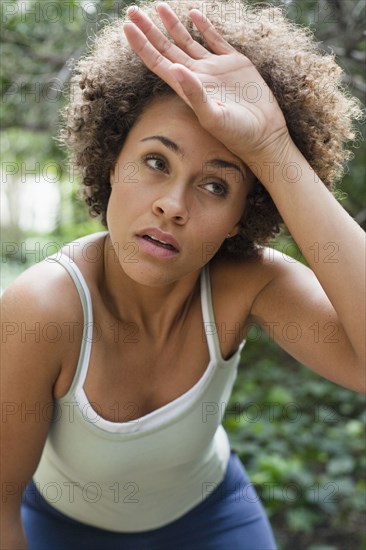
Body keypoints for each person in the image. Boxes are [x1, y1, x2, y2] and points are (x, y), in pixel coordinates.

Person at [1, 1, 365, 548]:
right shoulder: (43, 308)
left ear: (244, 213)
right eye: (155, 162)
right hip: (59, 530)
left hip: (213, 519)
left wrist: (269, 146)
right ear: (111, 160)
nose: (173, 205)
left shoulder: (245, 284)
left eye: (216, 185)